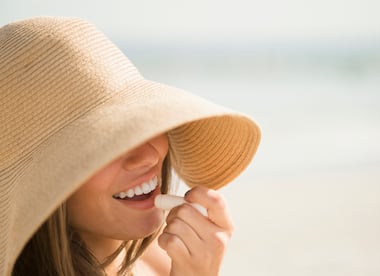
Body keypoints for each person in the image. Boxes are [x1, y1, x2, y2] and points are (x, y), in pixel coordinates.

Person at [0, 16, 261, 276]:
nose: (147, 156)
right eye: (103, 143)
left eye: (137, 126)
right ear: (40, 189)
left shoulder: (153, 253)